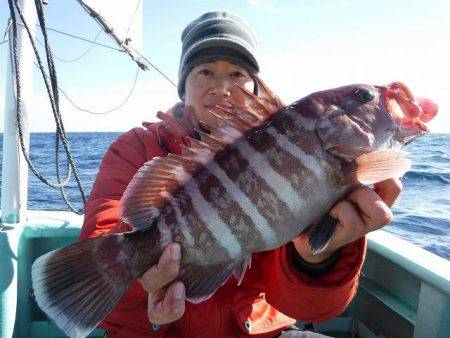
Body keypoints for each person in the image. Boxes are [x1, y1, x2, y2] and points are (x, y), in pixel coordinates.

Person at [79, 11, 402, 338]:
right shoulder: (135, 147)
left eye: (236, 73)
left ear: (254, 87)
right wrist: (145, 271)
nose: (221, 87)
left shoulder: (290, 148)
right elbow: (98, 254)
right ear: (183, 86)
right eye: (205, 71)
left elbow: (310, 309)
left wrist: (316, 257)